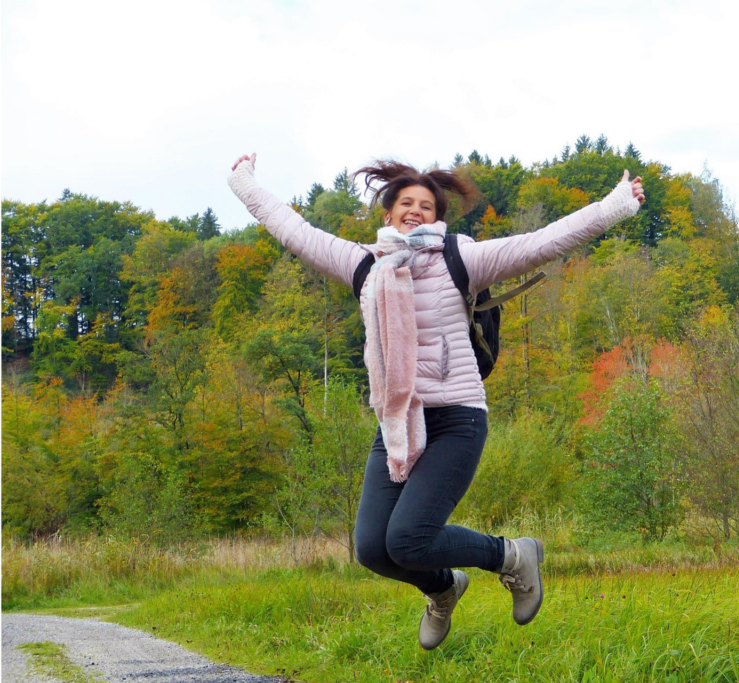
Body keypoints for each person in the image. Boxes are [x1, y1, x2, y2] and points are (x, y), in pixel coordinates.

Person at [227, 153, 644, 649]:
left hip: (457, 418)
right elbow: (294, 230)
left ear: (438, 216)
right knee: (373, 550)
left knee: (408, 539)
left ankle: (512, 556)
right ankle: (444, 589)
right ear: (388, 214)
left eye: (427, 205)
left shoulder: (459, 257)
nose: (416, 211)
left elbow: (542, 243)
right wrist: (244, 183)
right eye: (406, 202)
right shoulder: (364, 264)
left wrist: (614, 207)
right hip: (399, 422)